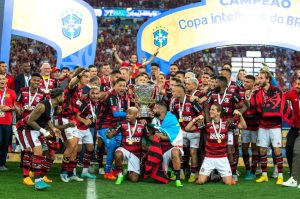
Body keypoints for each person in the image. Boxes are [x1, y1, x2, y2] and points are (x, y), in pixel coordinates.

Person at [251, 70, 291, 185]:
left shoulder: (276, 90)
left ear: (268, 79)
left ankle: (280, 175)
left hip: (275, 125)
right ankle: (264, 175)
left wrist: (264, 105)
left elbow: (277, 104)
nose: (259, 80)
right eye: (258, 78)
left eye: (261, 78)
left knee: (277, 150)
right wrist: (252, 95)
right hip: (263, 125)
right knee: (262, 150)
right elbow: (253, 106)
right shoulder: (257, 92)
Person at [193, 104, 247, 185]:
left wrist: (240, 115)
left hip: (222, 158)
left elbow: (244, 126)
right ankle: (209, 176)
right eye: (210, 109)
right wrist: (195, 119)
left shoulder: (226, 124)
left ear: (218, 112)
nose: (210, 111)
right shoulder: (207, 125)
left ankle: (220, 176)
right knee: (200, 181)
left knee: (229, 183)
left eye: (213, 110)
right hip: (209, 158)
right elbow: (187, 128)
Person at [22, 88, 64, 190]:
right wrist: (44, 131)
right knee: (37, 153)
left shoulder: (53, 106)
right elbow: (30, 121)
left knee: (42, 154)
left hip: (38, 131)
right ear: (58, 97)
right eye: (63, 95)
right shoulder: (42, 105)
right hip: (30, 130)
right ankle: (34, 180)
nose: (64, 97)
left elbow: (47, 119)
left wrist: (53, 128)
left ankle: (38, 180)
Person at [97, 78, 128, 180]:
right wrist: (131, 114)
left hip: (116, 126)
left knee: (119, 146)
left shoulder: (123, 97)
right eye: (120, 85)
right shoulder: (111, 96)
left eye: (124, 86)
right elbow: (115, 114)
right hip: (104, 125)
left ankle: (115, 169)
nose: (122, 88)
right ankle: (107, 172)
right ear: (114, 86)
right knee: (112, 146)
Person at [112, 107, 150, 184]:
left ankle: (129, 172)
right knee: (118, 154)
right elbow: (112, 134)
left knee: (134, 179)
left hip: (136, 153)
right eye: (127, 113)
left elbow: (149, 137)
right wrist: (109, 134)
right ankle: (120, 175)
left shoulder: (142, 125)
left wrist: (157, 136)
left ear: (136, 115)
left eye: (130, 114)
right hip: (125, 148)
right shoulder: (122, 124)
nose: (127, 115)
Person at [151, 102, 183, 187]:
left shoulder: (172, 118)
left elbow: (174, 135)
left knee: (175, 152)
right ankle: (168, 171)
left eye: (155, 108)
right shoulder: (154, 120)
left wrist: (162, 136)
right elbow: (153, 134)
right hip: (159, 149)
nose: (153, 110)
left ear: (161, 110)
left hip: (171, 147)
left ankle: (178, 179)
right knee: (160, 179)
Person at [75, 86, 100, 179]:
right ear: (89, 94)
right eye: (93, 93)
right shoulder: (85, 102)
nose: (95, 95)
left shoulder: (97, 103)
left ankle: (84, 172)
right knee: (77, 151)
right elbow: (76, 115)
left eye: (97, 93)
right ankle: (72, 172)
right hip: (77, 128)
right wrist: (84, 121)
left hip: (86, 129)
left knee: (90, 149)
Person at [241, 75, 260, 180]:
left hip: (256, 125)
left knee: (254, 149)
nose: (245, 83)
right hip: (245, 126)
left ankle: (253, 171)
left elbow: (257, 107)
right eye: (244, 81)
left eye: (248, 82)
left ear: (253, 83)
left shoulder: (257, 93)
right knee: (244, 148)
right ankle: (247, 169)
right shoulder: (241, 93)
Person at [282, 77, 300, 188]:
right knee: (289, 147)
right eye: (297, 83)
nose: (297, 86)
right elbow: (280, 96)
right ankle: (293, 174)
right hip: (295, 127)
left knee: (298, 152)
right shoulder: (293, 93)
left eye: (299, 84)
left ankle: (294, 178)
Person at [0, 74, 17, 171]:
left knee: (5, 143)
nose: (2, 81)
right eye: (0, 79)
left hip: (7, 122)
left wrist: (9, 108)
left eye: (3, 79)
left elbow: (16, 106)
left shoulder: (12, 92)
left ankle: (2, 164)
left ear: (6, 81)